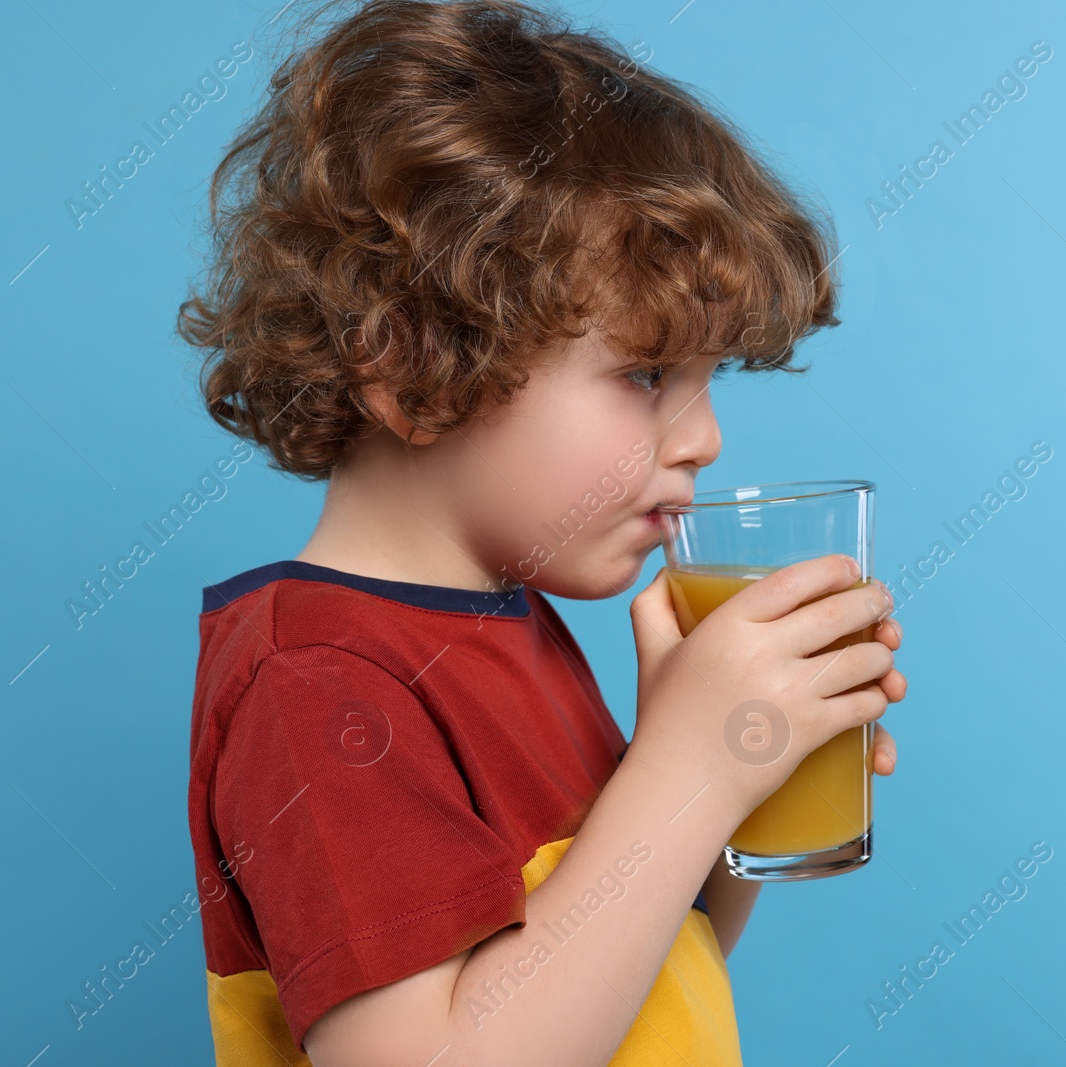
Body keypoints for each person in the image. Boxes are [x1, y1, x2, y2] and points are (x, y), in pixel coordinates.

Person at [176, 2, 907, 1063]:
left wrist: (732, 780)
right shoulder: (321, 679)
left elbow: (627, 987)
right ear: (412, 362)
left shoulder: (511, 619)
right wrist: (685, 770)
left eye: (708, 381)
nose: (703, 436)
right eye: (645, 374)